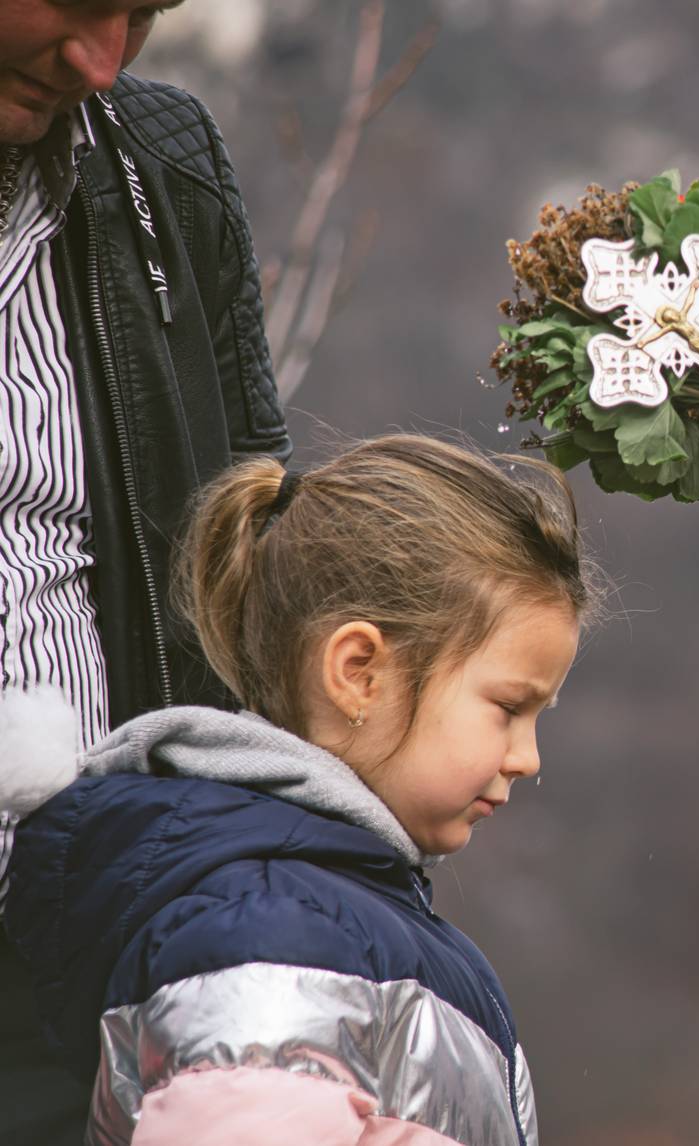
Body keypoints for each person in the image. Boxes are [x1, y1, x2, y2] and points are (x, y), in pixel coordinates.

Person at [0, 434, 592, 1145]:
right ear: (358, 672)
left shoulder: (324, 919)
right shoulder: (271, 933)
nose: (526, 758)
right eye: (507, 708)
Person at [0, 4, 290, 1139]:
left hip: (89, 962)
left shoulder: (159, 167)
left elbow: (261, 552)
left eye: (139, 8)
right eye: (70, 1)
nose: (101, 57)